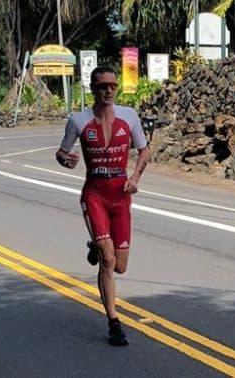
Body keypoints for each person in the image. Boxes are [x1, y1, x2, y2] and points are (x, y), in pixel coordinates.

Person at [55, 65, 149, 346]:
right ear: (92, 89)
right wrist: (65, 159)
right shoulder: (79, 120)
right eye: (102, 86)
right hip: (94, 194)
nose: (108, 90)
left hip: (120, 195)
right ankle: (114, 323)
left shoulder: (129, 117)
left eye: (112, 86)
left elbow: (144, 150)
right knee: (108, 261)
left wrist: (134, 178)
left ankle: (96, 245)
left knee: (120, 267)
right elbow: (61, 151)